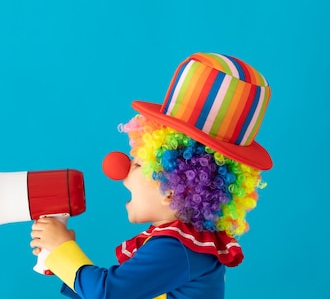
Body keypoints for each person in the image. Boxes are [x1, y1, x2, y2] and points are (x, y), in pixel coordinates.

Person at [30, 52, 272, 299]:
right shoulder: (181, 246)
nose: (121, 172)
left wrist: (62, 248)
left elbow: (107, 294)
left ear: (170, 189)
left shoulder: (177, 249)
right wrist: (59, 259)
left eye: (136, 165)